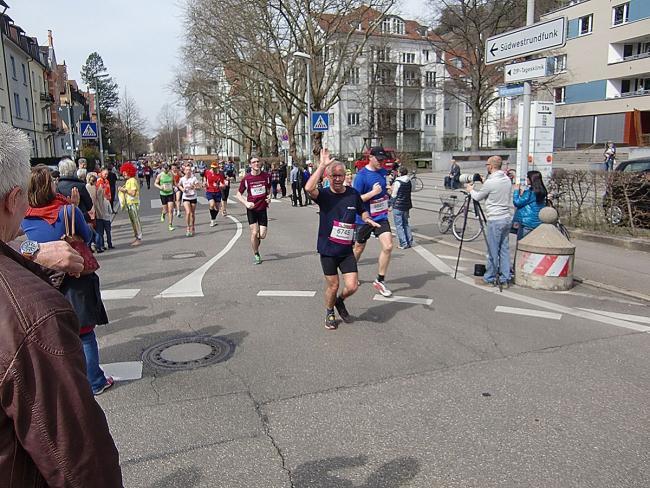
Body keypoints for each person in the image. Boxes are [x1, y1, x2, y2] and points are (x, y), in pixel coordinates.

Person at [0, 127, 122, 484]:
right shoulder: (30, 315)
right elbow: (80, 462)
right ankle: (97, 375)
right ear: (14, 199)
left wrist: (32, 251)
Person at [23, 166, 115, 397]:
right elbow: (89, 237)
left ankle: (65, 385)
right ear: (48, 187)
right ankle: (94, 381)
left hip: (41, 283)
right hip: (74, 279)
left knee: (54, 337)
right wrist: (76, 210)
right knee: (85, 335)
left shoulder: (23, 218)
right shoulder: (66, 212)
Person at [305, 149, 380, 330]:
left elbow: (361, 208)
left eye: (340, 175)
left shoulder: (352, 194)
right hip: (328, 250)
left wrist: (367, 218)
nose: (338, 179)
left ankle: (339, 301)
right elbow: (308, 188)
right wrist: (322, 165)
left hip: (346, 250)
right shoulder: (324, 195)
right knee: (333, 285)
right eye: (334, 176)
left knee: (352, 286)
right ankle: (329, 311)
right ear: (328, 177)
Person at [466, 155, 513, 286]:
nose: (486, 167)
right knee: (504, 249)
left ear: (491, 166)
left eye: (487, 165)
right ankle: (505, 276)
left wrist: (470, 190)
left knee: (492, 250)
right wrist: (484, 182)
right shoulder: (506, 179)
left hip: (495, 219)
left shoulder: (491, 182)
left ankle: (490, 277)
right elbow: (494, 191)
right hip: (506, 218)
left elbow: (478, 197)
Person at [352, 153, 394, 297]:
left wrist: (388, 192)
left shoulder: (382, 172)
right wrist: (373, 193)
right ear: (371, 158)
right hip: (364, 218)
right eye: (379, 160)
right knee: (358, 248)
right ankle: (351, 271)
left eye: (383, 160)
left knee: (388, 246)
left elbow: (383, 191)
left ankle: (380, 280)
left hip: (381, 217)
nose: (382, 162)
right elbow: (355, 200)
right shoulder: (361, 176)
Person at [236, 157, 271, 264]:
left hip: (262, 208)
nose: (256, 163)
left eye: (257, 162)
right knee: (254, 232)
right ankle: (256, 253)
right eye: (253, 162)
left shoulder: (266, 176)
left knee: (262, 235)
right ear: (250, 165)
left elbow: (269, 190)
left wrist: (269, 197)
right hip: (252, 208)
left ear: (260, 163)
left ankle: (256, 241)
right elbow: (238, 194)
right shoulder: (246, 179)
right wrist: (246, 203)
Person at [513, 170, 547, 240]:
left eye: (528, 177)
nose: (526, 179)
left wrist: (516, 191)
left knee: (522, 245)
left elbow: (517, 202)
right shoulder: (542, 191)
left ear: (532, 179)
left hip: (527, 222)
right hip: (537, 221)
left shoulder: (530, 193)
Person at [118, 162, 143, 246]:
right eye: (123, 173)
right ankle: (136, 237)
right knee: (133, 221)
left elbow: (133, 193)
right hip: (130, 203)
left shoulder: (132, 181)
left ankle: (139, 238)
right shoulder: (129, 181)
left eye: (125, 172)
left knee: (135, 221)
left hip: (133, 203)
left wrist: (124, 190)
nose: (123, 174)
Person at [390, 166, 414, 249]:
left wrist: (390, 204)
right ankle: (410, 241)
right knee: (406, 224)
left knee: (399, 225)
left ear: (400, 173)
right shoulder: (409, 181)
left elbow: (394, 195)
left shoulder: (398, 182)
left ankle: (403, 243)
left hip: (398, 206)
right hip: (406, 205)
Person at [178, 164, 202, 236]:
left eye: (189, 170)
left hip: (193, 197)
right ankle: (188, 228)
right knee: (188, 212)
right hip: (186, 197)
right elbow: (179, 185)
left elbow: (199, 188)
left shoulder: (194, 178)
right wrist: (182, 189)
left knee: (192, 214)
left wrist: (194, 186)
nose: (188, 171)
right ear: (184, 171)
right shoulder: (182, 179)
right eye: (187, 170)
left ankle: (193, 226)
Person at [204, 162, 226, 227]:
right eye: (212, 168)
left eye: (215, 168)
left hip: (217, 192)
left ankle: (213, 220)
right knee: (212, 204)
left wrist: (221, 185)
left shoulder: (220, 175)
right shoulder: (207, 172)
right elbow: (205, 177)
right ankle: (212, 220)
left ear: (217, 168)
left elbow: (223, 184)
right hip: (209, 191)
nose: (213, 169)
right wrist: (205, 182)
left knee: (217, 208)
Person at [155, 163, 176, 231]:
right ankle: (163, 214)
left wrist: (174, 187)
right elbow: (155, 183)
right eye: (164, 168)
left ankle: (170, 224)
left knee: (171, 209)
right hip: (163, 193)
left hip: (170, 193)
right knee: (165, 210)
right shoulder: (160, 175)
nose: (166, 169)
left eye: (167, 168)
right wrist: (160, 187)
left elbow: (174, 183)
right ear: (162, 168)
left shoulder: (171, 174)